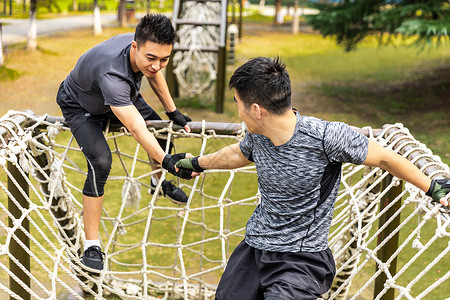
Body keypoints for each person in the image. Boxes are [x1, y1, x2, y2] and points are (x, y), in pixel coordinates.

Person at [175, 57, 450, 300]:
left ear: (257, 109)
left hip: (300, 260)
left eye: (238, 104)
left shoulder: (325, 137)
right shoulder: (257, 135)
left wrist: (433, 187)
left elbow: (385, 157)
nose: (238, 111)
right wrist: (196, 162)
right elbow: (238, 154)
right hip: (254, 248)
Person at [56, 14, 195, 272]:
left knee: (163, 134)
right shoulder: (113, 73)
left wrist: (172, 111)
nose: (156, 65)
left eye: (164, 59)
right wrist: (167, 162)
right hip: (80, 103)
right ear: (134, 47)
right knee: (101, 161)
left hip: (117, 95)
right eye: (151, 58)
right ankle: (92, 245)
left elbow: (153, 74)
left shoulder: (144, 50)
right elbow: (136, 127)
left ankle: (156, 184)